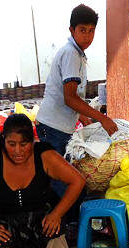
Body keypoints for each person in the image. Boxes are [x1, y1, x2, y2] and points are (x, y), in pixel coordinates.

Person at [0, 114, 86, 248]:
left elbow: (77, 181)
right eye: (11, 144)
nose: (18, 151)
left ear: (32, 141)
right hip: (4, 228)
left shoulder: (44, 155)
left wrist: (57, 214)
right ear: (3, 140)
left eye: (23, 144)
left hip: (44, 224)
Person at [36, 3, 118, 158]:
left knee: (61, 175)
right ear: (71, 30)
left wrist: (82, 117)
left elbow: (67, 94)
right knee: (60, 178)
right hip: (54, 127)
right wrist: (102, 119)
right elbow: (70, 98)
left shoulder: (76, 53)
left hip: (55, 126)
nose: (87, 36)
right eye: (82, 30)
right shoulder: (71, 54)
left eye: (91, 31)